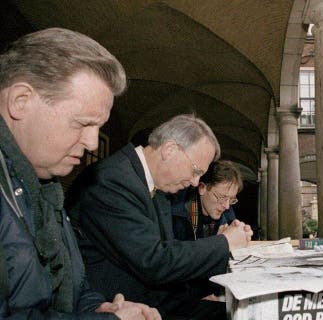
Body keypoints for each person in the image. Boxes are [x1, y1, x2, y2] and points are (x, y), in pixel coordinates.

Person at [0, 28, 160, 319]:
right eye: (82, 123)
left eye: (98, 128)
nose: (91, 143)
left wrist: (98, 308)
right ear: (20, 101)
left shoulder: (45, 185)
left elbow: (73, 287)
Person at [66, 114, 253, 319]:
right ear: (169, 150)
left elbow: (169, 253)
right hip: (119, 307)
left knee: (247, 313)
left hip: (157, 300)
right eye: (195, 171)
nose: (195, 182)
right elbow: (155, 261)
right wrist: (224, 243)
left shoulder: (157, 187)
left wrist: (199, 290)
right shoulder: (113, 180)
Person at [172, 160, 243, 241]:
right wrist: (218, 243)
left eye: (231, 199)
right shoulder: (176, 216)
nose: (226, 206)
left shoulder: (227, 215)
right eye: (222, 197)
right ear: (202, 188)